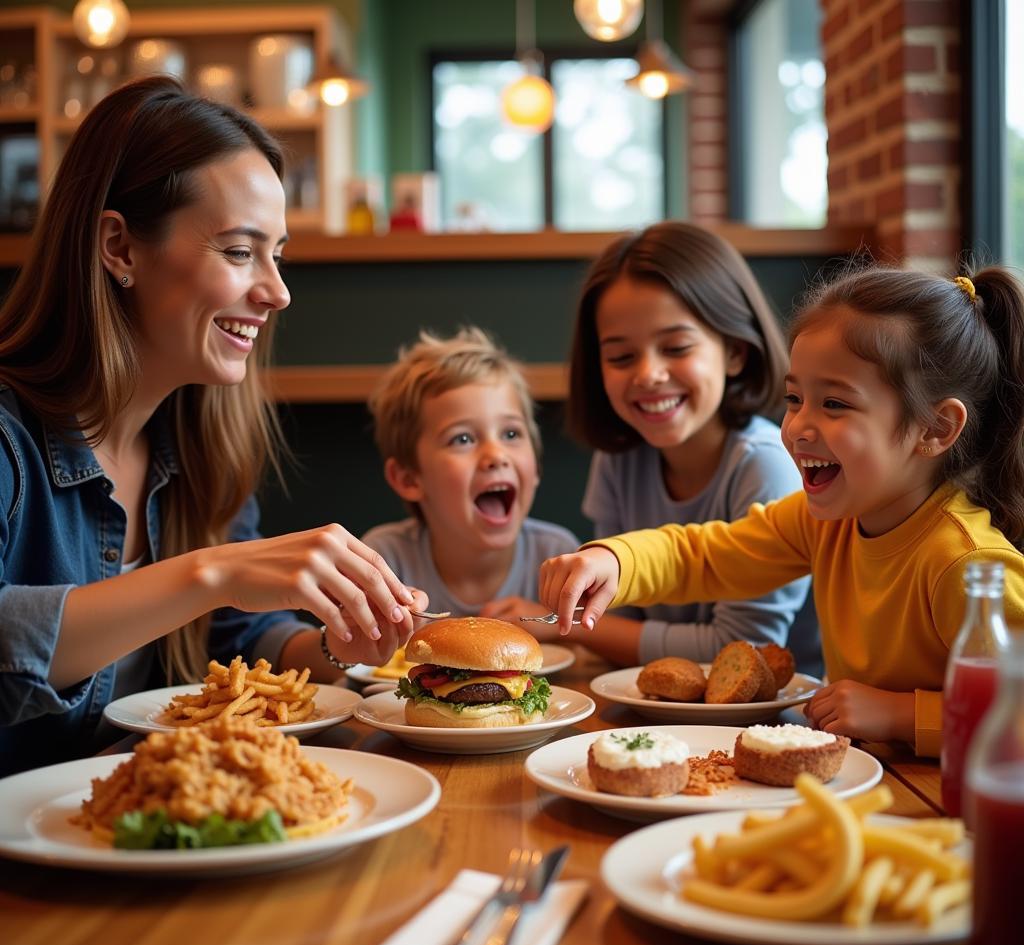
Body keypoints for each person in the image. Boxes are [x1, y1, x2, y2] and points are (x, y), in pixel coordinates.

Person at [0, 77, 425, 775]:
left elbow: (241, 632)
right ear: (120, 248)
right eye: (238, 252)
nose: (278, 291)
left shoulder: (199, 446)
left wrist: (342, 647)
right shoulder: (8, 440)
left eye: (277, 254)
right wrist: (213, 572)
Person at [538, 265, 1024, 756]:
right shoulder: (823, 523)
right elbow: (705, 555)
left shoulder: (968, 565)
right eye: (795, 398)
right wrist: (614, 560)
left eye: (834, 403)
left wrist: (900, 715)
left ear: (935, 429)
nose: (797, 427)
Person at [491, 221, 818, 671]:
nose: (647, 374)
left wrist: (554, 621)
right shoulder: (619, 458)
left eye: (676, 347)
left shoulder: (766, 465)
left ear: (735, 352)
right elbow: (618, 611)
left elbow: (742, 651)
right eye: (622, 357)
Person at [362, 327, 579, 616]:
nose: (496, 455)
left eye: (511, 434)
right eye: (462, 439)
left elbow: (588, 654)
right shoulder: (386, 561)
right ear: (408, 478)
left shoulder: (557, 555)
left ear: (536, 465)